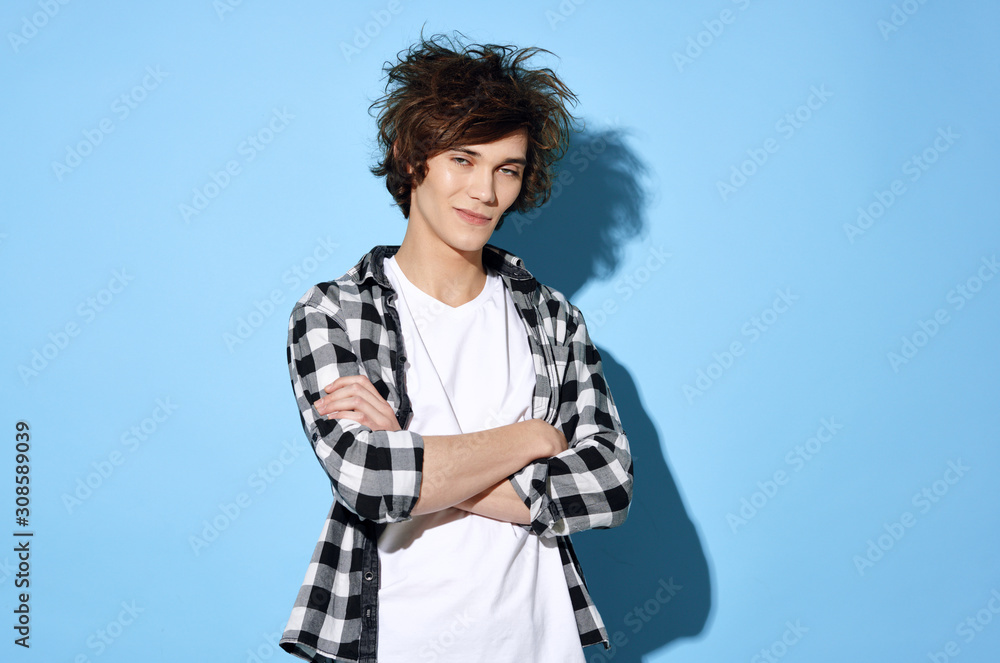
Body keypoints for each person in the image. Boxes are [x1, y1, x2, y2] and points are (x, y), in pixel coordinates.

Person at [279, 32, 633, 663]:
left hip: (538, 641)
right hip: (396, 638)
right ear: (411, 157)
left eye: (508, 169)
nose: (485, 192)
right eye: (463, 160)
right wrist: (533, 438)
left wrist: (415, 457)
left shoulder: (552, 318)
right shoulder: (333, 311)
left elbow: (608, 486)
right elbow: (370, 481)